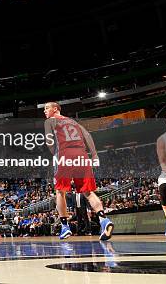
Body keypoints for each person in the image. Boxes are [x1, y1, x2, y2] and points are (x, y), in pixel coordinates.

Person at [43, 101, 114, 241]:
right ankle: (103, 219)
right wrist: (94, 154)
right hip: (82, 154)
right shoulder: (73, 122)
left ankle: (65, 227)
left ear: (55, 109)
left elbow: (49, 141)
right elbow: (87, 135)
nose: (44, 111)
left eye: (47, 108)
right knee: (88, 192)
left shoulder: (50, 121)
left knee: (60, 191)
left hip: (64, 154)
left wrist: (54, 154)